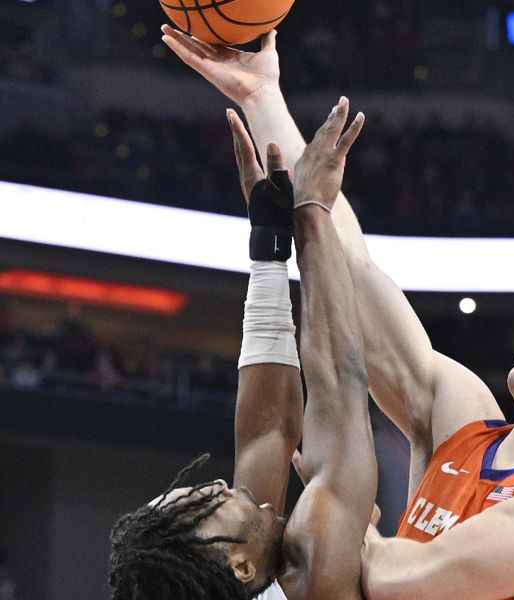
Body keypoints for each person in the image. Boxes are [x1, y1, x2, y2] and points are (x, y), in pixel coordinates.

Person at [161, 25, 514, 599]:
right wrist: (261, 98)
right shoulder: (461, 419)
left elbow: (411, 579)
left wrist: (338, 518)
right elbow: (352, 267)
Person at [109, 97, 377, 600]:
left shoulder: (239, 573)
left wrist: (270, 248)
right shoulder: (314, 581)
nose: (214, 487)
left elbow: (268, 430)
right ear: (238, 566)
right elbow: (342, 387)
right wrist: (313, 210)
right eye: (205, 507)